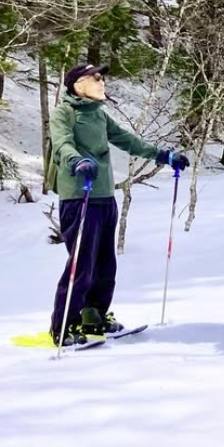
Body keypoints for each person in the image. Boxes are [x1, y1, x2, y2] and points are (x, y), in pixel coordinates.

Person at [48, 63, 189, 345]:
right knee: (81, 263)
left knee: (104, 263)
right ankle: (64, 326)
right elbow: (62, 143)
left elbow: (127, 140)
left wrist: (163, 156)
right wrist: (77, 161)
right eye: (95, 78)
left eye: (102, 78)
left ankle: (95, 317)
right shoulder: (65, 112)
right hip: (79, 196)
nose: (102, 83)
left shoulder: (98, 114)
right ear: (78, 86)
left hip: (104, 197)